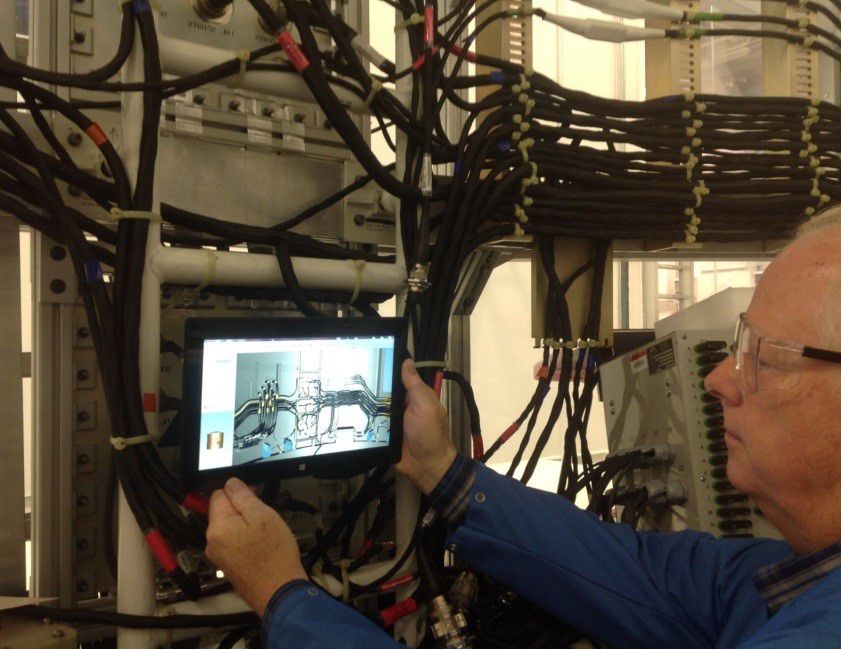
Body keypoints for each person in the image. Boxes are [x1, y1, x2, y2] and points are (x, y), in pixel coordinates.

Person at [205, 208, 841, 648]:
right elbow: (633, 574)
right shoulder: (786, 579)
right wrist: (443, 473)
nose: (719, 380)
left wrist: (284, 596)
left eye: (764, 353)